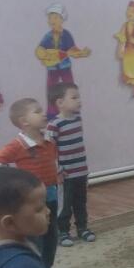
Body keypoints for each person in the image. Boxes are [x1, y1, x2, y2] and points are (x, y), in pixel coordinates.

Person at [0, 98, 66, 268]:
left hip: (50, 194)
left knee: (51, 234)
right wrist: (13, 184)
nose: (43, 114)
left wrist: (58, 172)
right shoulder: (17, 145)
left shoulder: (49, 140)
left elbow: (52, 161)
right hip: (31, 201)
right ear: (24, 121)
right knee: (35, 236)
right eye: (37, 111)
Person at [46, 82, 95, 247]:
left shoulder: (77, 119)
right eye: (74, 97)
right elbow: (49, 150)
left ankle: (82, 228)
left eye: (78, 97)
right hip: (65, 174)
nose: (79, 100)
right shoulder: (54, 125)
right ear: (60, 103)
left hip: (81, 171)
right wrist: (57, 170)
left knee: (81, 202)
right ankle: (63, 231)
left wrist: (84, 169)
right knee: (65, 204)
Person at [35, 3, 91, 117]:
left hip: (65, 67)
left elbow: (72, 49)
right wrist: (45, 55)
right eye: (50, 18)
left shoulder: (66, 35)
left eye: (55, 17)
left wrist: (81, 53)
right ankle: (52, 113)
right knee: (51, 90)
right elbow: (40, 50)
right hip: (52, 68)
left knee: (70, 89)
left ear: (62, 19)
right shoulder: (48, 36)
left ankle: (72, 110)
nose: (52, 20)